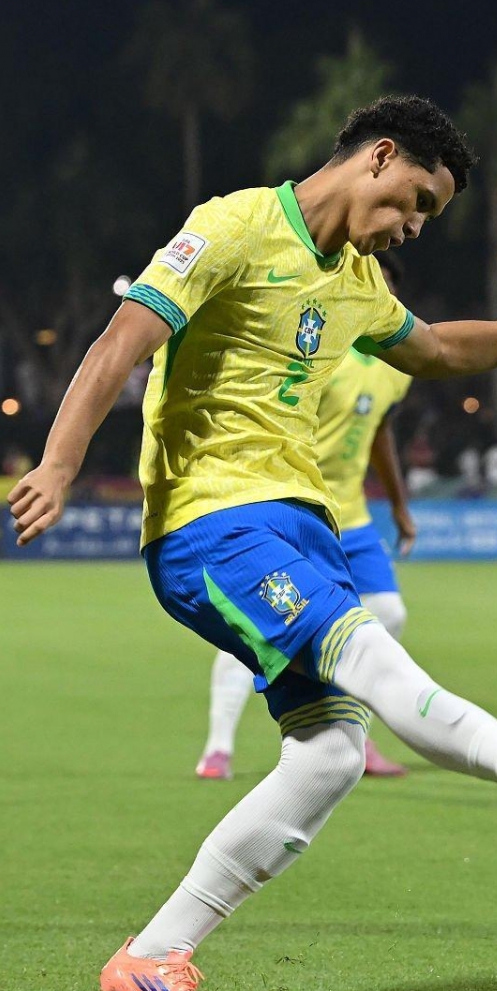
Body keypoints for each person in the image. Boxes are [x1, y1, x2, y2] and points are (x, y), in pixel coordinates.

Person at [8, 95, 497, 991]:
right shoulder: (233, 226)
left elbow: (438, 348)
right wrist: (60, 464)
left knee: (331, 755)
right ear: (379, 156)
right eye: (416, 202)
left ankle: (153, 955)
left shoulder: (357, 281)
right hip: (213, 524)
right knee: (373, 659)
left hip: (302, 523)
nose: (414, 227)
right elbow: (121, 341)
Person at [197, 261, 421, 782]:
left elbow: (379, 431)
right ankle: (217, 748)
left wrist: (399, 505)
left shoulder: (396, 369)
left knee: (388, 613)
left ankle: (354, 734)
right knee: (254, 631)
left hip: (352, 516)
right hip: (294, 509)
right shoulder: (322, 351)